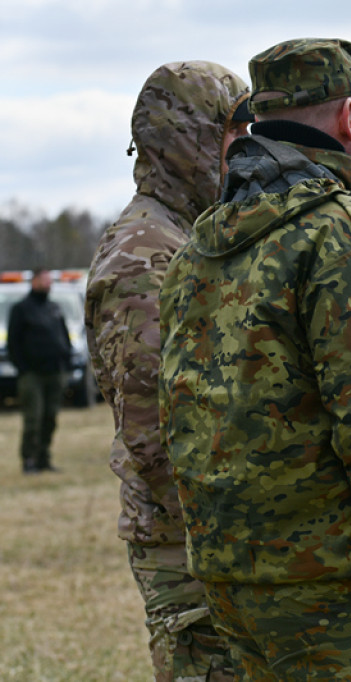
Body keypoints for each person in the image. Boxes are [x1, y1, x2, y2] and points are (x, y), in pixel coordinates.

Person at [158, 38, 351, 680]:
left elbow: (182, 414)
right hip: (339, 583)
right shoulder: (338, 235)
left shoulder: (198, 249)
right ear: (349, 116)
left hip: (230, 577)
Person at [84, 61, 251, 681]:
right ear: (191, 139)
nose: (246, 149)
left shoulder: (187, 236)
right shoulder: (143, 256)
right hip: (187, 547)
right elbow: (154, 436)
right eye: (234, 133)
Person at [8, 268, 71, 474]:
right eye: (44, 280)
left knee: (50, 418)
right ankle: (29, 460)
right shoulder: (22, 309)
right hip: (32, 374)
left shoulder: (53, 308)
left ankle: (44, 458)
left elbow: (63, 336)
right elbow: (13, 342)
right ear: (34, 281)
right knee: (33, 418)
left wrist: (66, 361)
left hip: (55, 372)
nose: (48, 284)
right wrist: (23, 368)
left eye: (49, 280)